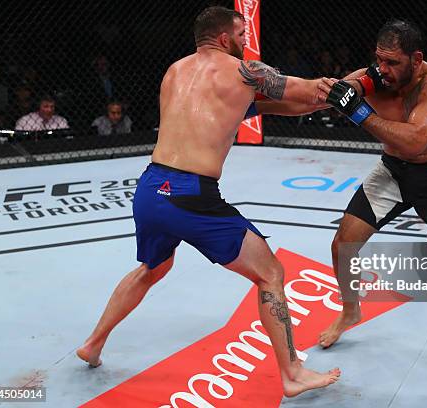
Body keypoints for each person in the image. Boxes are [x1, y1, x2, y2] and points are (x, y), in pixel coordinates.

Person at [76, 6, 340, 397]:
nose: (246, 40)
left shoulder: (175, 71)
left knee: (152, 268)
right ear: (222, 38)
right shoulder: (243, 71)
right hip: (189, 195)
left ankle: (93, 343)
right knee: (270, 273)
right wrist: (346, 87)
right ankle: (292, 374)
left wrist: (321, 99)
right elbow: (303, 91)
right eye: (241, 34)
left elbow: (274, 106)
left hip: (150, 189)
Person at [317, 20, 427, 374]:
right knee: (343, 242)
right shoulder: (375, 77)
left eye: (392, 63)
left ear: (416, 60)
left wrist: (357, 110)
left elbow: (415, 140)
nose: (383, 70)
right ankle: (350, 309)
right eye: (379, 61)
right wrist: (265, 97)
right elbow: (330, 92)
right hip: (394, 171)